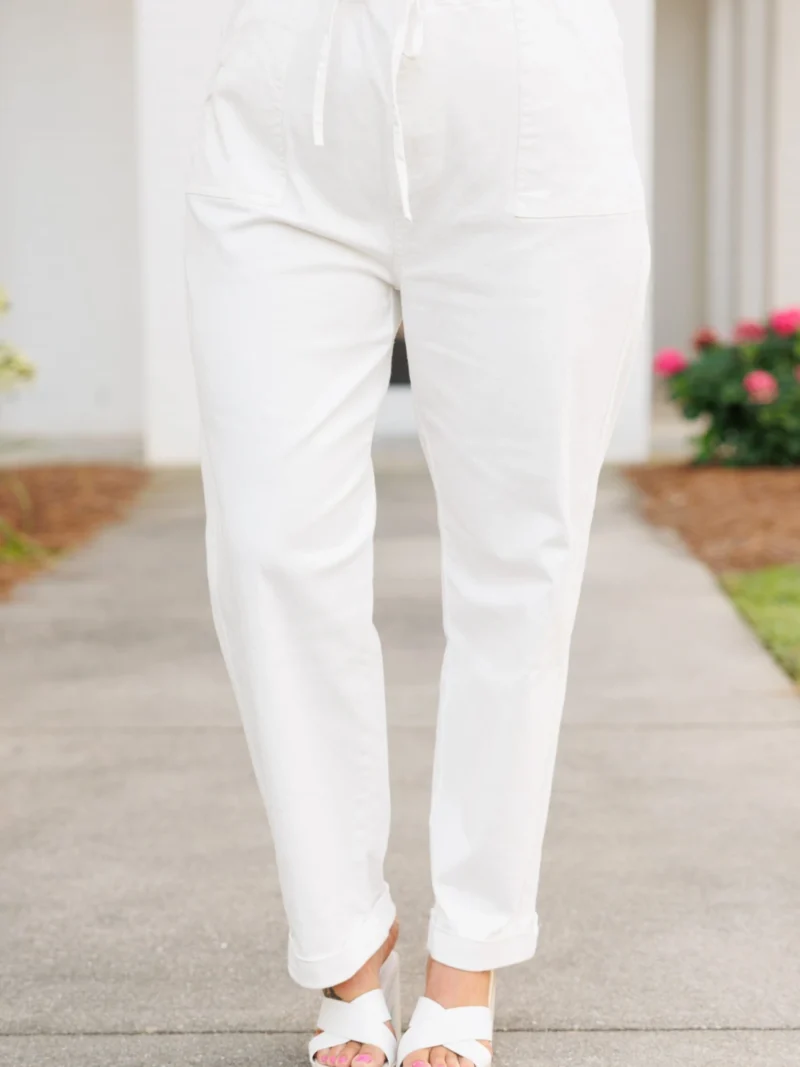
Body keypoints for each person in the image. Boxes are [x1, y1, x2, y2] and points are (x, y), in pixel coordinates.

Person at [185, 1, 650, 1065]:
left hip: (529, 116)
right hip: (283, 123)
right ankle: (343, 938)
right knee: (266, 545)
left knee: (519, 558)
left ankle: (469, 950)